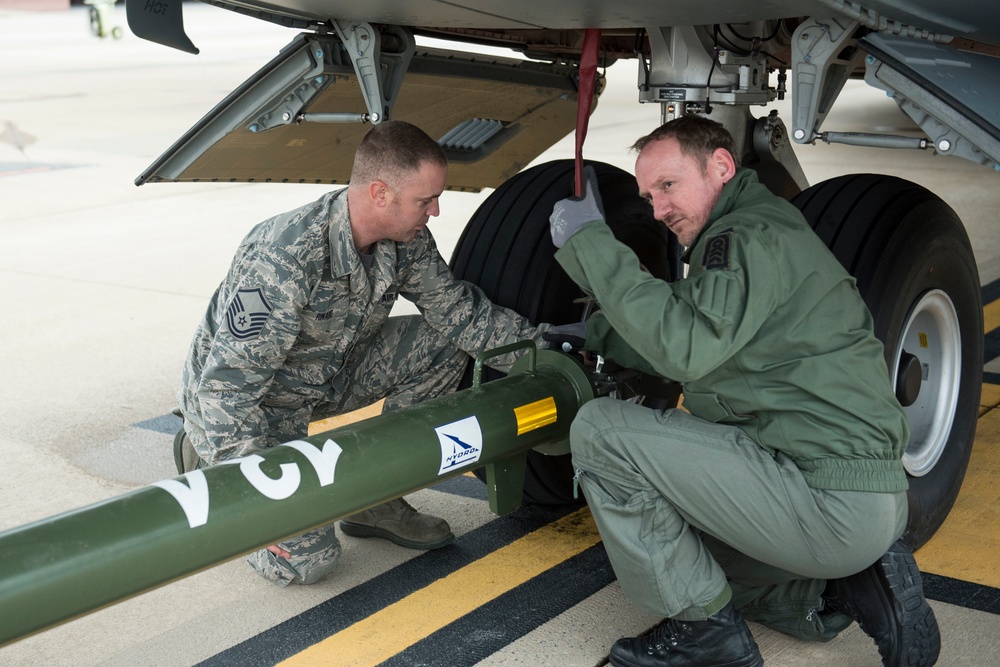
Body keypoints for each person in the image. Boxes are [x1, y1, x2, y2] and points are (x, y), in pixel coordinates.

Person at [544, 115, 940, 667]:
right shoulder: (767, 228)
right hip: (863, 497)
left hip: (825, 500)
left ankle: (707, 637)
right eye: (647, 195)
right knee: (684, 557)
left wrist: (591, 245)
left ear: (722, 166)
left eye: (668, 185)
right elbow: (703, 326)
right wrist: (598, 334)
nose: (658, 209)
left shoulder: (740, 238)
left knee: (601, 433)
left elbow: (687, 347)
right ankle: (846, 585)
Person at [175, 120, 548, 587]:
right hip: (252, 405)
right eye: (425, 199)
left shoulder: (405, 239)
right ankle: (203, 457)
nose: (435, 211)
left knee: (443, 344)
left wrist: (548, 351)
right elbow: (226, 391)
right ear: (379, 194)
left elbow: (461, 314)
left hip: (327, 377)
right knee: (308, 561)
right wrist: (251, 491)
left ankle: (378, 491)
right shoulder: (283, 257)